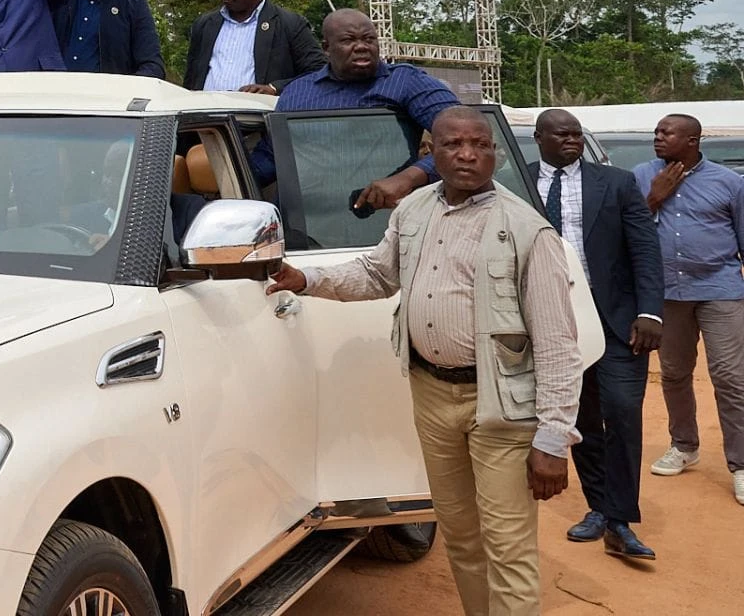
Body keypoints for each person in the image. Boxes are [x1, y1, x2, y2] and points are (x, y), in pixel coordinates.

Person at [268, 107, 582, 616]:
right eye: (454, 144)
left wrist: (553, 437)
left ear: (496, 154)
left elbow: (558, 344)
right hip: (432, 396)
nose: (468, 155)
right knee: (460, 534)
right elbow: (378, 274)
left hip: (501, 406)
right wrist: (307, 280)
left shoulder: (527, 231)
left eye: (480, 145)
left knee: (508, 547)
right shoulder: (414, 209)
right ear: (429, 152)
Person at [532, 109, 662, 559]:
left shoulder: (617, 182)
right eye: (562, 134)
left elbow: (645, 248)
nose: (572, 140)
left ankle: (621, 520)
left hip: (617, 321)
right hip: (553, 320)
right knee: (582, 419)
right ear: (539, 138)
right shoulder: (517, 182)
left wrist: (650, 311)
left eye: (577, 134)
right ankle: (600, 509)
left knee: (623, 412)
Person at [634, 113, 744, 504]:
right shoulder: (641, 176)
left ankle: (741, 465)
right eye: (656, 131)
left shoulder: (729, 183)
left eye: (667, 132)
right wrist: (654, 197)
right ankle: (684, 445)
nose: (658, 137)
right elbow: (630, 228)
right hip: (666, 292)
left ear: (693, 140)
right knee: (675, 373)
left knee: (730, 376)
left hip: (720, 289)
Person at [264, 8, 462, 209]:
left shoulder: (407, 82)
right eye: (348, 40)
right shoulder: (297, 93)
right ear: (326, 48)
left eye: (369, 39)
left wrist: (408, 178)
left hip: (385, 215)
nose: (361, 47)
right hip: (308, 217)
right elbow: (272, 156)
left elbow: (466, 135)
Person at [182, 0, 325, 93]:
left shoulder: (290, 24)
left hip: (259, 108)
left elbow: (318, 71)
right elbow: (191, 78)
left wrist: (274, 88)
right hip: (206, 107)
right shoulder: (204, 24)